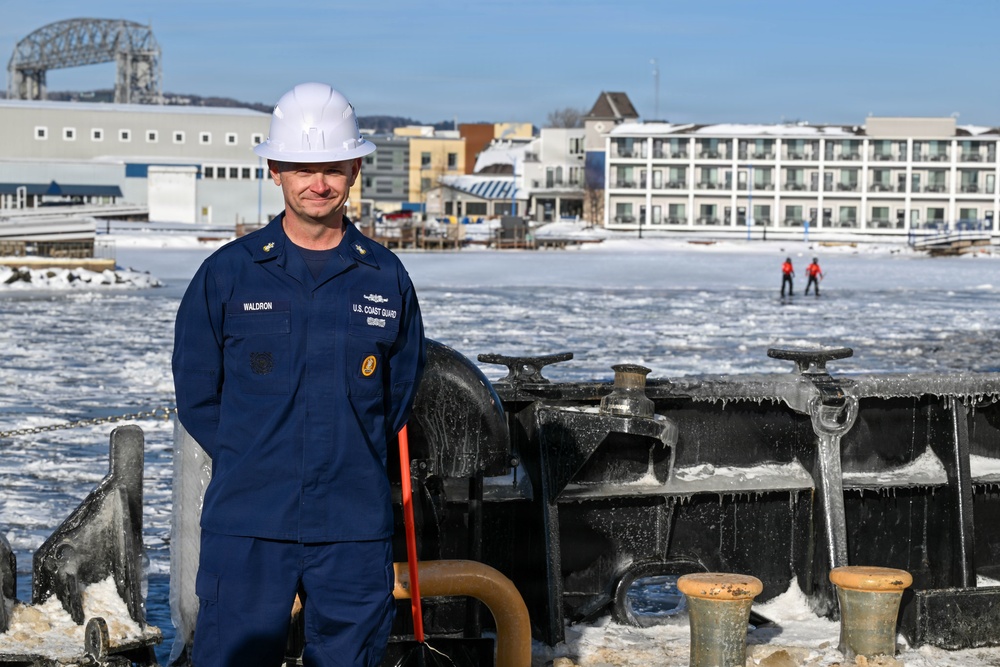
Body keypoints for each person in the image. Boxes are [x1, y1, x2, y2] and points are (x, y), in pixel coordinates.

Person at [172, 82, 426, 667]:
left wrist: (341, 457)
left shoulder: (384, 278)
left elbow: (398, 394)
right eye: (303, 169)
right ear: (276, 171)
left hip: (352, 525)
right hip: (249, 522)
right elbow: (198, 394)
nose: (319, 184)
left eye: (333, 169)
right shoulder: (228, 275)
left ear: (355, 170)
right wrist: (257, 457)